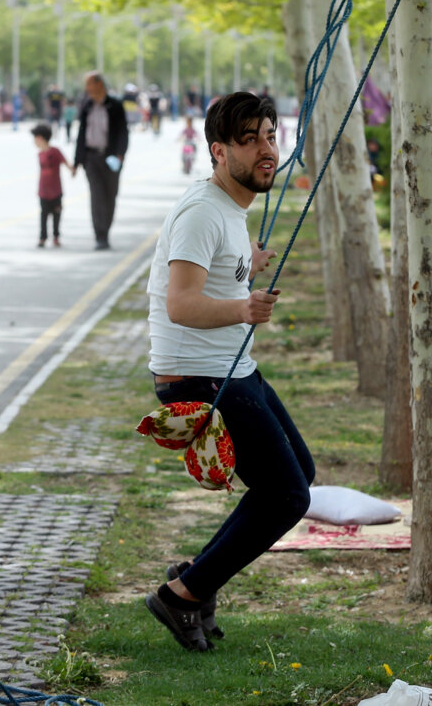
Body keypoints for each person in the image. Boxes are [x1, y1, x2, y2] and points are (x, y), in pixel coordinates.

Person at [143, 91, 313, 652]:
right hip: (201, 376)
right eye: (251, 140)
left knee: (299, 475)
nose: (268, 150)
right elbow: (181, 304)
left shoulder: (229, 211)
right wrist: (243, 308)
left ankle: (195, 579)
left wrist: (247, 265)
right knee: (286, 495)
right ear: (219, 151)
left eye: (270, 136)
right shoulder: (202, 212)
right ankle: (182, 594)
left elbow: (219, 267)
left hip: (231, 366)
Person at [72, 72, 129, 250]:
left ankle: (106, 230)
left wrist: (120, 154)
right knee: (96, 196)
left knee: (110, 195)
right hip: (91, 158)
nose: (87, 88)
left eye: (90, 84)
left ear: (99, 85)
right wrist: (77, 161)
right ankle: (100, 235)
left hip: (111, 158)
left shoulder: (116, 105)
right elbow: (81, 133)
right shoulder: (86, 106)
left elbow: (123, 132)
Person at [33, 123, 74, 248]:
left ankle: (56, 236)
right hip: (43, 190)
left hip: (56, 189)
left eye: (35, 138)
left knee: (56, 214)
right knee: (44, 214)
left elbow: (65, 162)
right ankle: (43, 237)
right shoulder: (40, 154)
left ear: (40, 138)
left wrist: (72, 170)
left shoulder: (55, 151)